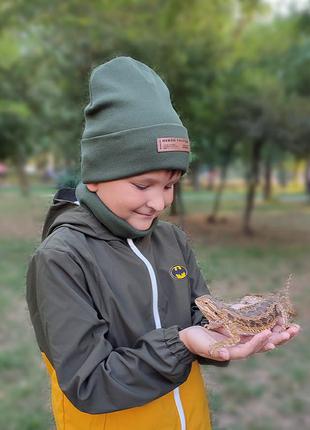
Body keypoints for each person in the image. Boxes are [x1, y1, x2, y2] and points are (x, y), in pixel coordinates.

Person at [26, 57, 299, 430]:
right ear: (96, 177)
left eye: (170, 185)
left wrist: (229, 325)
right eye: (143, 185)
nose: (160, 203)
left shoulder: (170, 238)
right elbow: (89, 383)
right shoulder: (62, 259)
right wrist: (182, 343)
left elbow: (196, 317)